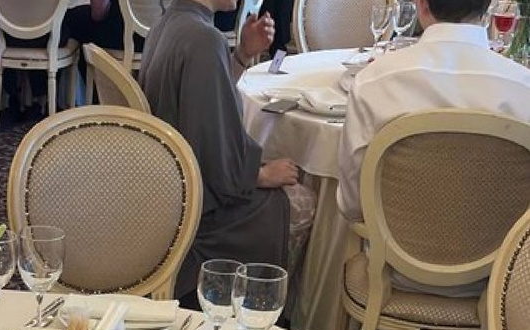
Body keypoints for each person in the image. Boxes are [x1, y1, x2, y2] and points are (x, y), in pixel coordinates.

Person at [139, 0, 309, 300]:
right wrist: (259, 176)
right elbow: (213, 147)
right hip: (197, 205)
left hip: (164, 188)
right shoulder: (205, 38)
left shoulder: (167, 24)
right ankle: (266, 307)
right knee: (304, 201)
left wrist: (242, 54)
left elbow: (201, 104)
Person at [337, 0, 530, 225]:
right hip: (505, 245)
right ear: (487, 7)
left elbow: (353, 204)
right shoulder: (523, 86)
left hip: (391, 241)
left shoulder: (373, 81)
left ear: (421, 4)